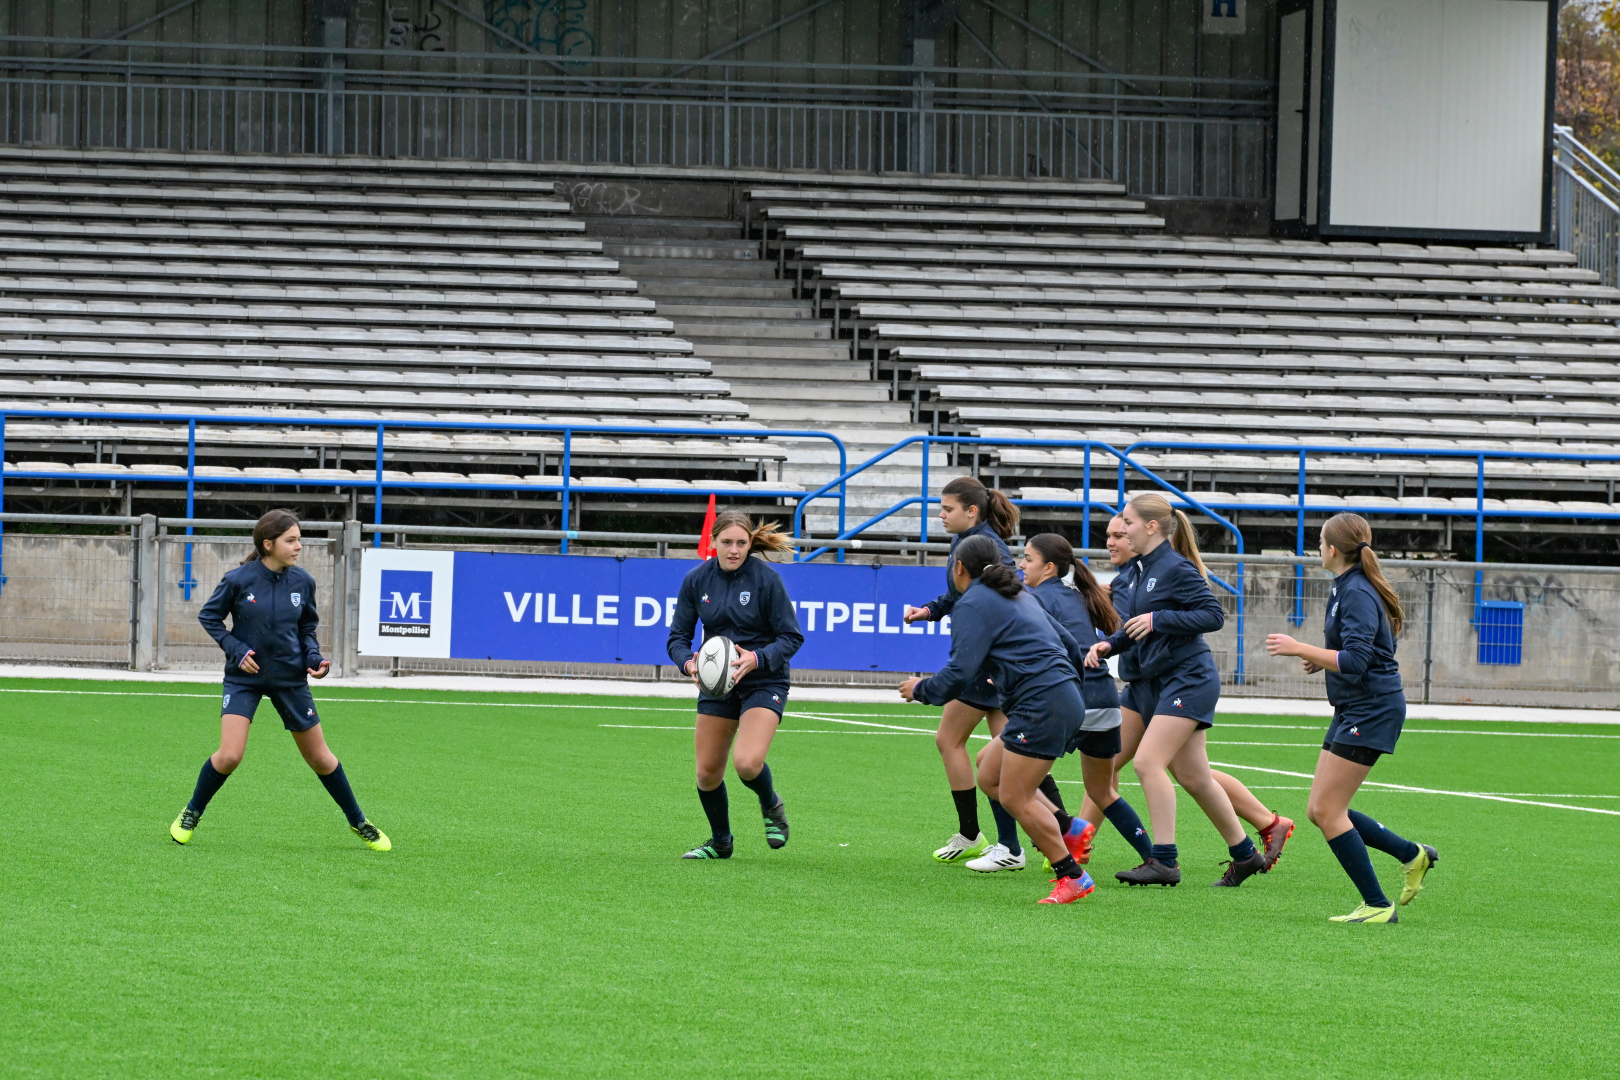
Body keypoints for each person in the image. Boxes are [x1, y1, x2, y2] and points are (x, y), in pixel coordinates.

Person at [1076, 513, 1295, 872]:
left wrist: (1155, 619)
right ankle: (1250, 846)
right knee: (1171, 772)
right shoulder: (1130, 576)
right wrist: (1106, 644)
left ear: (1149, 527)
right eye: (1110, 534)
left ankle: (1153, 857)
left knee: (1151, 765)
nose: (1114, 540)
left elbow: (1212, 615)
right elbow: (1128, 629)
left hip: (1180, 680)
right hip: (1145, 684)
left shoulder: (1171, 569)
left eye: (1122, 529)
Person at [901, 535, 1105, 904]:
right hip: (1056, 697)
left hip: (1042, 702)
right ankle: (1068, 827)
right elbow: (1073, 648)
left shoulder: (972, 604)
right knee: (988, 771)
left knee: (1014, 795)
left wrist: (921, 690)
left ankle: (1071, 876)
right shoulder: (1018, 594)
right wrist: (1071, 695)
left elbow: (961, 672)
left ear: (958, 568)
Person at [170, 509, 389, 851]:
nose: (299, 546)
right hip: (244, 679)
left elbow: (306, 630)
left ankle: (359, 821)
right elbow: (209, 616)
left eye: (299, 539)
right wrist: (236, 649)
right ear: (268, 544)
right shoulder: (238, 579)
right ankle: (191, 812)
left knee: (321, 758)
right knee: (229, 756)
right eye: (291, 540)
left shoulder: (304, 582)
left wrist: (315, 658)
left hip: (290, 680)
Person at [1266, 513, 1438, 923]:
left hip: (1372, 708)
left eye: (1319, 541)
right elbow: (1357, 652)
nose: (1317, 548)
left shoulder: (1357, 591)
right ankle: (1411, 854)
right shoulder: (1346, 587)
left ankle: (1378, 906)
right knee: (1320, 809)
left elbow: (1359, 661)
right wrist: (1318, 659)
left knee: (1327, 811)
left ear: (1332, 549)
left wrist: (1299, 648)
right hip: (1356, 707)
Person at [981, 531, 1155, 877]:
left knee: (992, 771)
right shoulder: (1078, 595)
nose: (1020, 564)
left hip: (1065, 700)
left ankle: (1018, 847)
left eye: (1027, 559)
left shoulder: (1031, 598)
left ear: (1048, 567)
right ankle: (1159, 859)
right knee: (1103, 791)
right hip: (1105, 700)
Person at [667, 510, 804, 860]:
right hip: (717, 684)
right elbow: (678, 638)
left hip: (764, 678)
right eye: (726, 542)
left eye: (741, 543)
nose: (733, 550)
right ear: (712, 542)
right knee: (707, 773)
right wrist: (689, 663)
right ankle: (721, 842)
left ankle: (770, 803)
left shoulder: (767, 580)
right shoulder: (696, 580)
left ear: (749, 544)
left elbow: (791, 637)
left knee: (746, 763)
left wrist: (756, 658)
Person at [900, 475, 1022, 864]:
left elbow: (1010, 597)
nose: (940, 515)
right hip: (991, 662)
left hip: (989, 663)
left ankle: (993, 840)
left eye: (947, 509)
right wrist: (930, 611)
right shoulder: (965, 543)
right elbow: (959, 595)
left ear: (972, 511)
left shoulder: (991, 548)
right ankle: (1040, 836)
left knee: (961, 744)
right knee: (1011, 754)